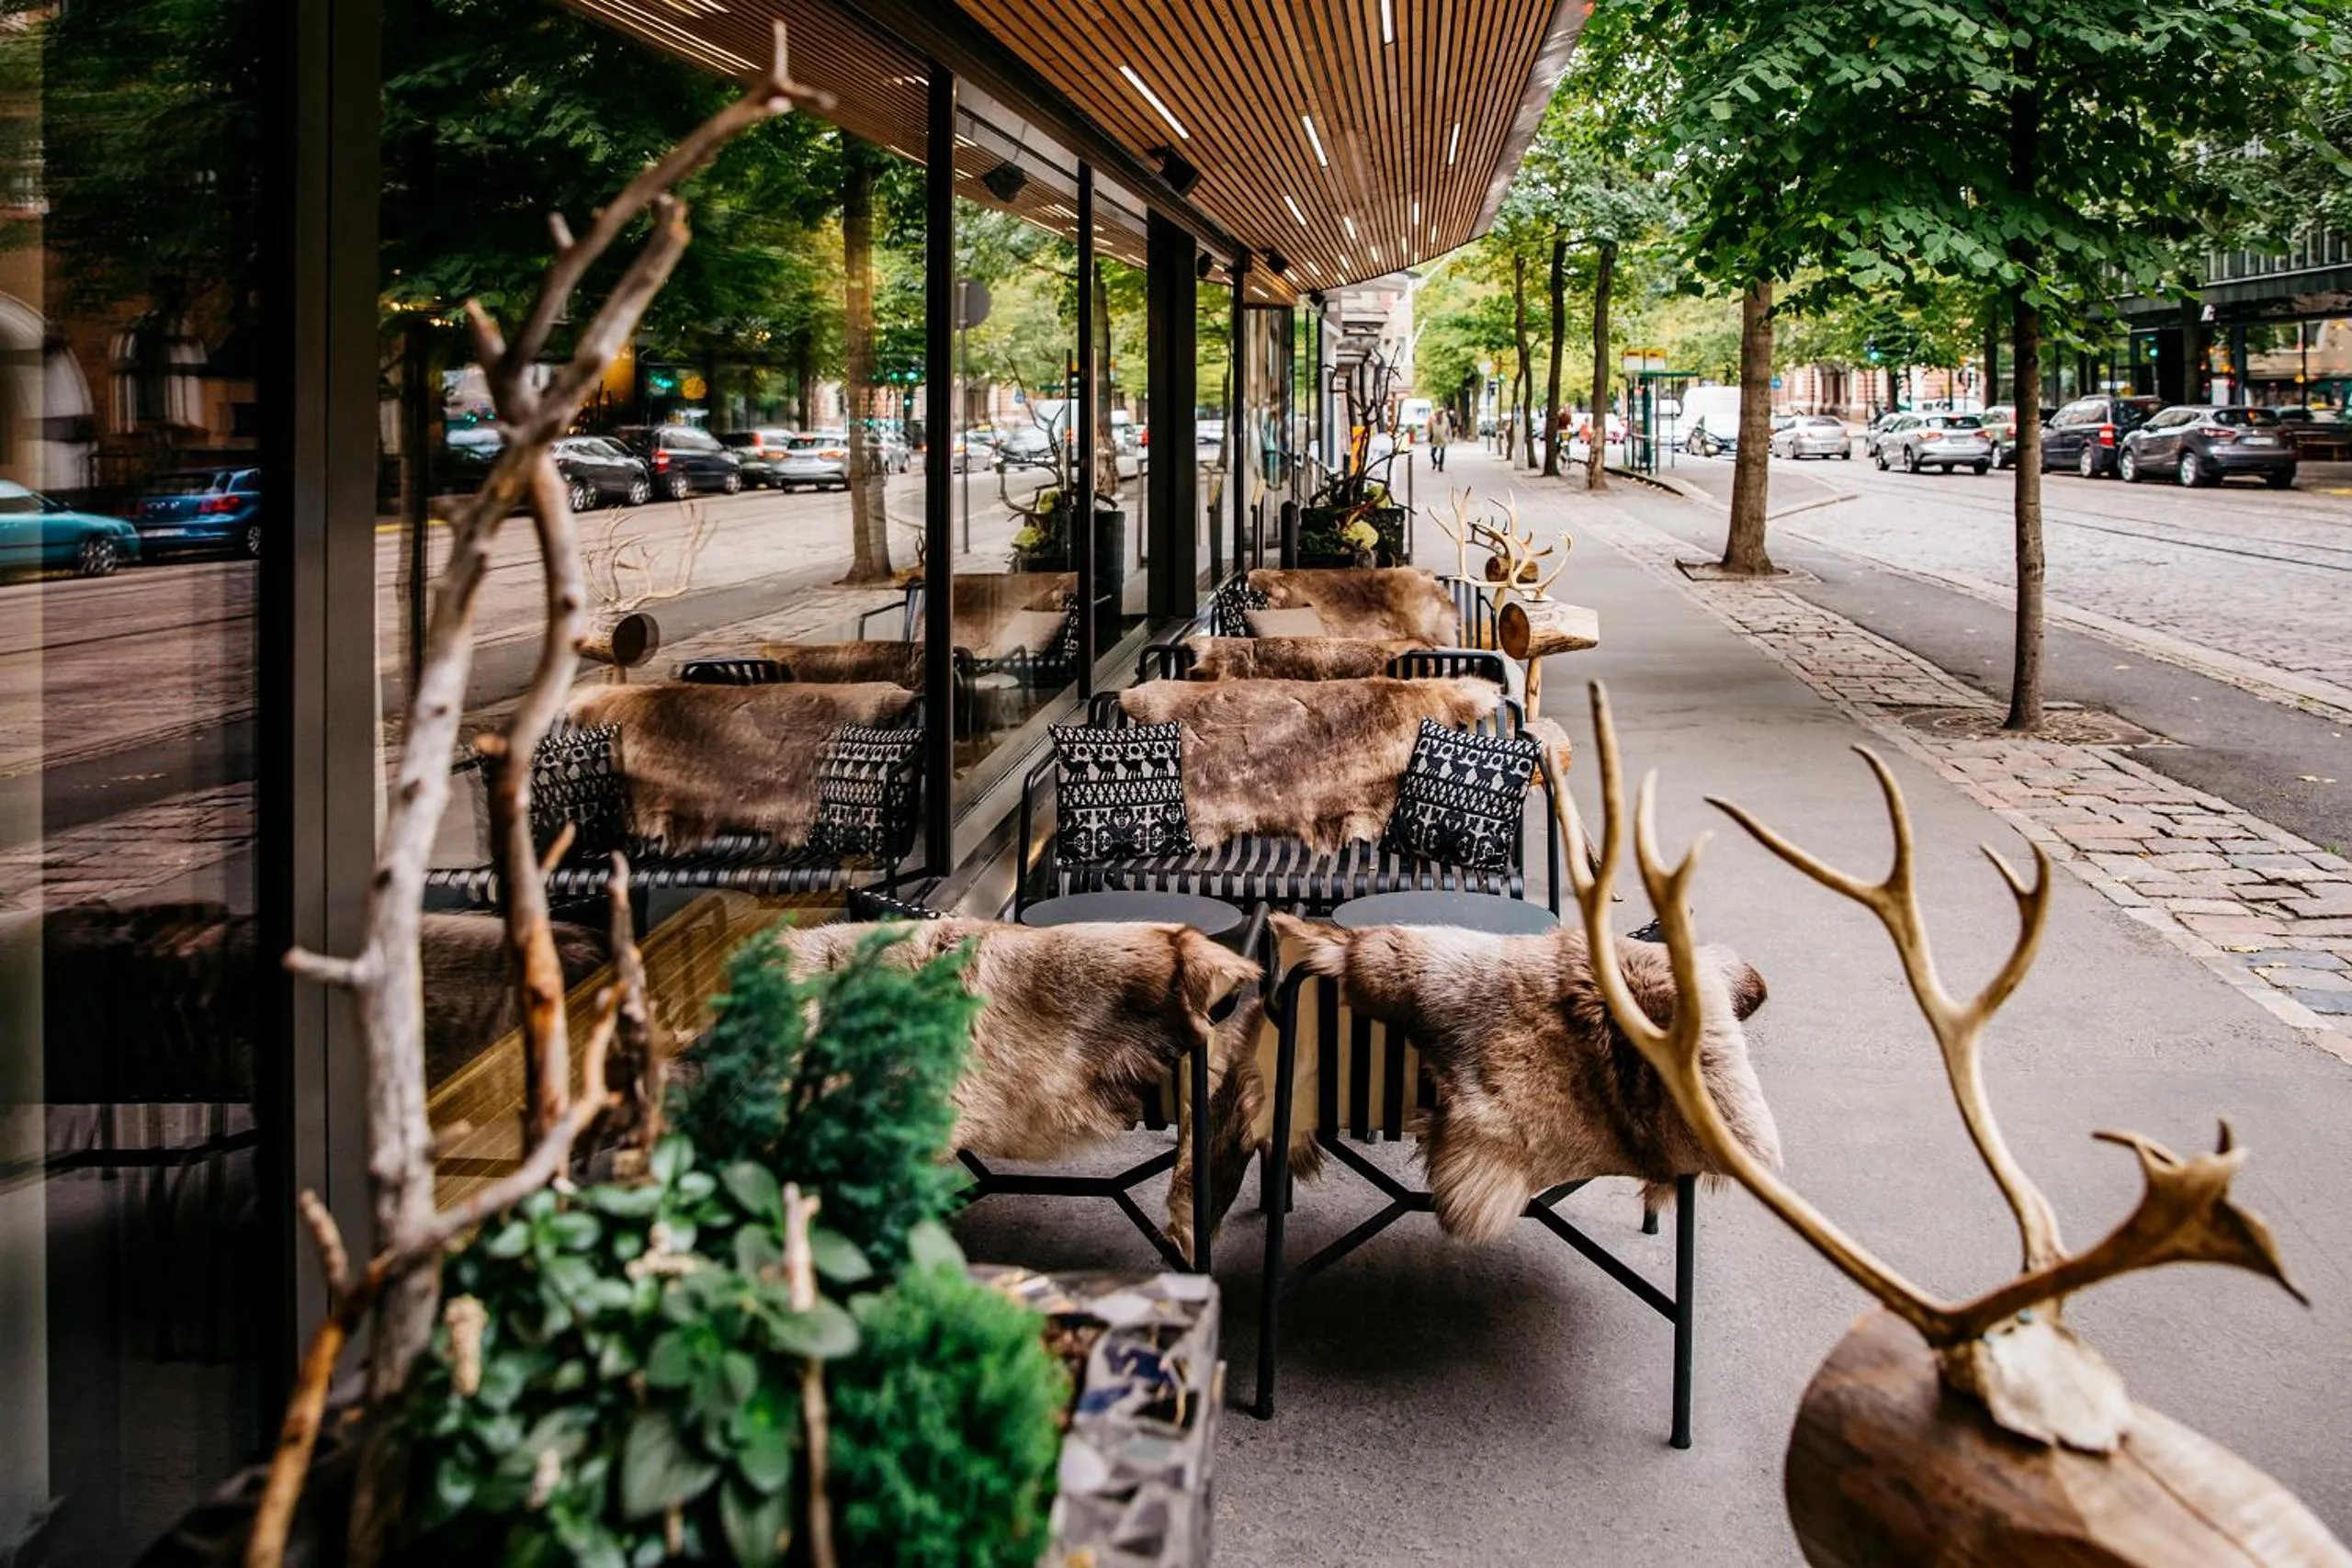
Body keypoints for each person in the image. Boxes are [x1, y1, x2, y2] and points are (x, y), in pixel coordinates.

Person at [1429, 404, 1452, 470]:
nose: (1441, 414)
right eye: (1439, 413)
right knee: (1432, 453)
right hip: (1435, 439)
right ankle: (1435, 462)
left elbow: (1448, 429)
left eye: (1442, 413)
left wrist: (1450, 438)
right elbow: (1430, 428)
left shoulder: (1446, 420)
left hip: (1443, 439)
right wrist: (1429, 436)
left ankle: (1440, 466)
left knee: (1442, 452)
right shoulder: (1433, 420)